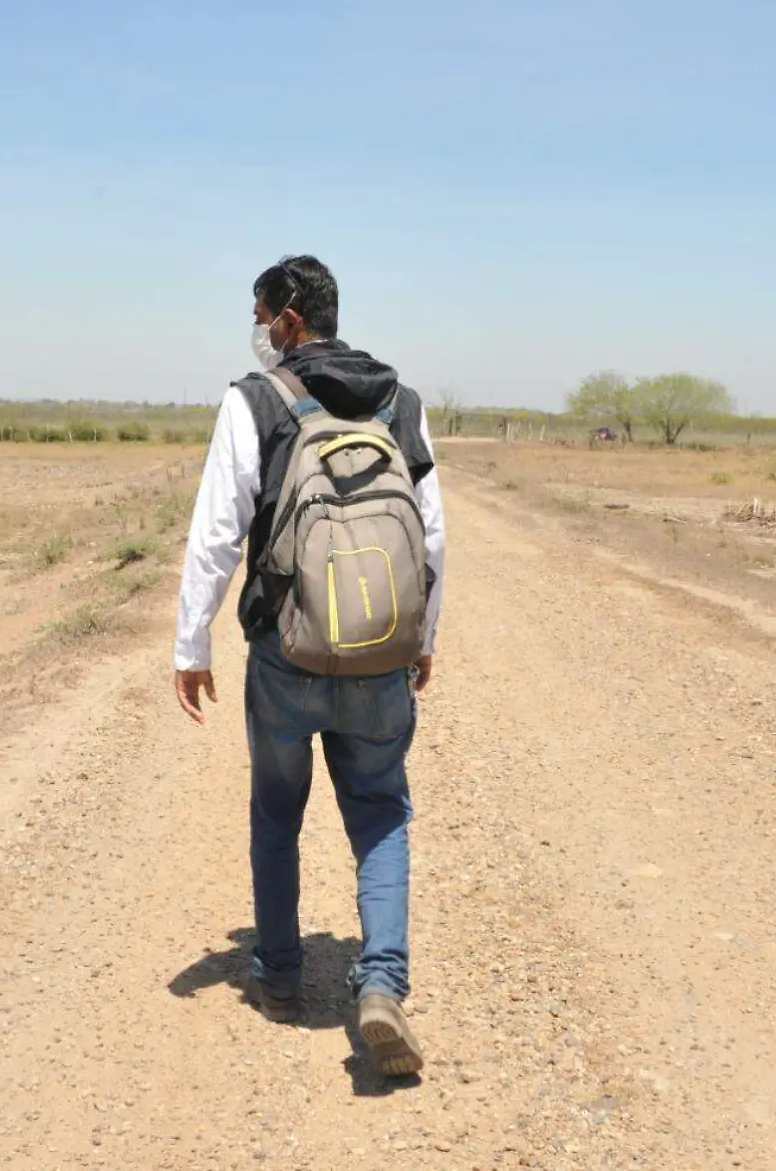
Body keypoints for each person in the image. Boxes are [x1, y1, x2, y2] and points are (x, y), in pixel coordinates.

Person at [173, 255, 446, 1077]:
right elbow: (430, 534)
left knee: (276, 814)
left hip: (285, 653)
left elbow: (218, 531)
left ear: (291, 318)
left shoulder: (255, 400)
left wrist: (193, 644)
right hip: (380, 659)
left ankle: (283, 977)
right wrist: (422, 635)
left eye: (261, 314)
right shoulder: (401, 402)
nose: (257, 330)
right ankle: (382, 984)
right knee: (381, 813)